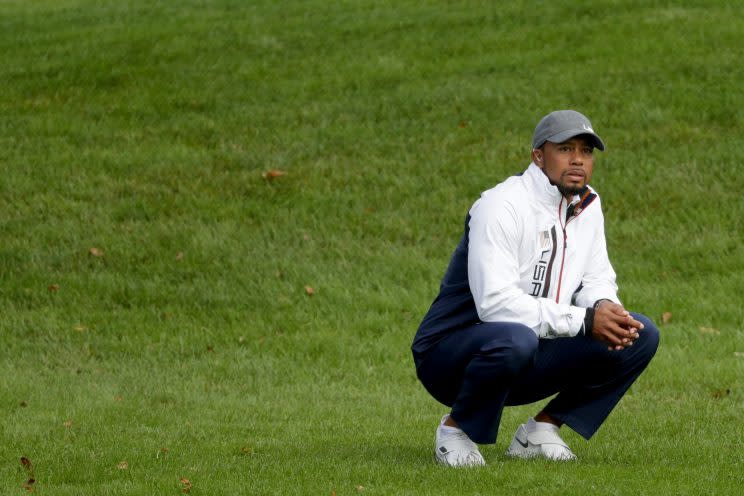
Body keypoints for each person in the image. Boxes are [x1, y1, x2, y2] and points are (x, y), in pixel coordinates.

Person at [411, 110, 660, 467]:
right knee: (516, 337)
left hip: (529, 349)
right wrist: (587, 320)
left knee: (640, 333)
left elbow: (596, 277)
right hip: (451, 356)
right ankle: (454, 430)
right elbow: (494, 306)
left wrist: (605, 307)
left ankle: (540, 431)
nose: (578, 159)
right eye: (565, 148)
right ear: (538, 156)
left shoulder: (588, 205)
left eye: (586, 151)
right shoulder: (500, 206)